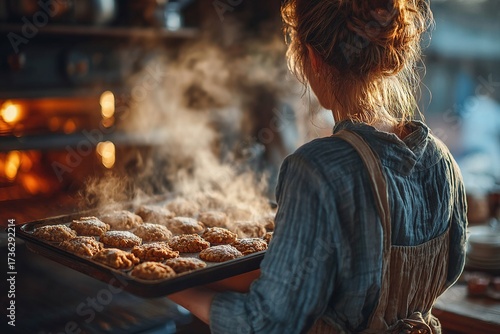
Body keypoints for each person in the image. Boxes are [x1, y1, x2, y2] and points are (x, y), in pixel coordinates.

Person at [169, 0, 468, 333]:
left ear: (311, 58)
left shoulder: (316, 168)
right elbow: (450, 270)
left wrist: (169, 282)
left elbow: (265, 324)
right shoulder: (443, 162)